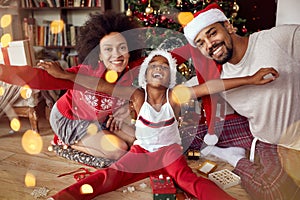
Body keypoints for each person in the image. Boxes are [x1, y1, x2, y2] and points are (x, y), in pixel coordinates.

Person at [43, 49, 277, 199]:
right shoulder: (136, 94)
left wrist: (251, 79)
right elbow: (99, 86)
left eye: (164, 67)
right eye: (154, 66)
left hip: (170, 154)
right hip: (142, 152)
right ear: (145, 75)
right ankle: (61, 197)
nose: (158, 70)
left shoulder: (175, 95)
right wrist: (65, 75)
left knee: (192, 182)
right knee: (108, 177)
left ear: (170, 77)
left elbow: (212, 87)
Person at [183, 3, 300, 199]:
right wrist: (248, 80)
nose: (209, 45)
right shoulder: (216, 75)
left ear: (228, 27)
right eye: (200, 43)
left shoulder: (277, 40)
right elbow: (177, 94)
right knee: (273, 193)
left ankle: (235, 158)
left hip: (294, 142)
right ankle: (235, 158)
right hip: (267, 143)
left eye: (212, 34)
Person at [0, 11, 144, 161]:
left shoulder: (132, 71)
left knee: (137, 140)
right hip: (70, 119)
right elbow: (38, 78)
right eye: (108, 49)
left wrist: (125, 109)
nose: (117, 55)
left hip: (100, 119)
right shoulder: (86, 72)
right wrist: (3, 71)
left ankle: (100, 135)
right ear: (99, 55)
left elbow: (162, 64)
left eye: (122, 48)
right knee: (119, 151)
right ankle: (64, 141)